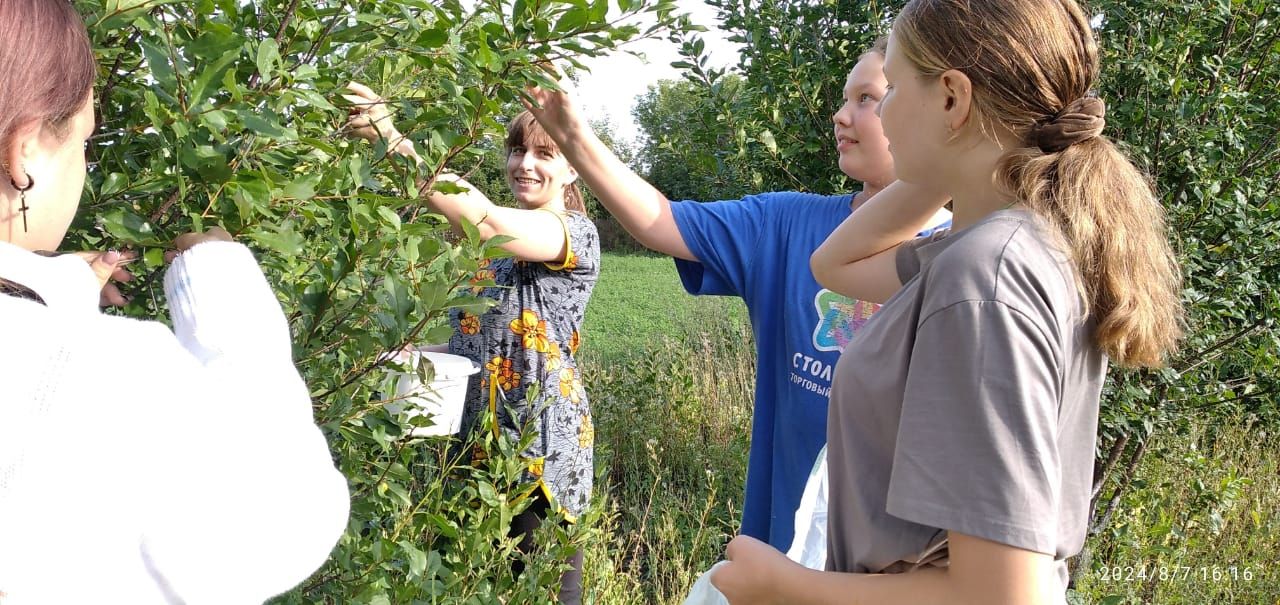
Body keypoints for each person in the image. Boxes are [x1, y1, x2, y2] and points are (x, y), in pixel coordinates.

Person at [711, 0, 1185, 602]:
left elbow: (1002, 596)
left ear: (952, 98)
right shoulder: (1009, 244)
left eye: (895, 88)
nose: (881, 110)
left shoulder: (987, 276)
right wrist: (955, 160)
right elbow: (837, 265)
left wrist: (787, 586)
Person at [524, 40, 950, 550]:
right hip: (783, 549)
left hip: (905, 562)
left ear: (934, 106)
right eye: (844, 98)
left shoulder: (969, 255)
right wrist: (572, 135)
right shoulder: (788, 223)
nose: (840, 116)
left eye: (866, 98)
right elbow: (662, 222)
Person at [0, 1, 351, 602]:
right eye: (83, 137)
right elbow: (290, 508)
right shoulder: (120, 377)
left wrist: (43, 290)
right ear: (25, 147)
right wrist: (221, 282)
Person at [344, 85, 600, 604]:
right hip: (473, 448)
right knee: (465, 586)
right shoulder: (489, 258)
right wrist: (407, 358)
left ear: (573, 169)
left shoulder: (573, 233)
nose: (525, 163)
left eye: (545, 154)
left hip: (539, 452)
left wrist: (395, 141)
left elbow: (485, 221)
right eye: (517, 150)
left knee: (546, 592)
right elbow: (468, 337)